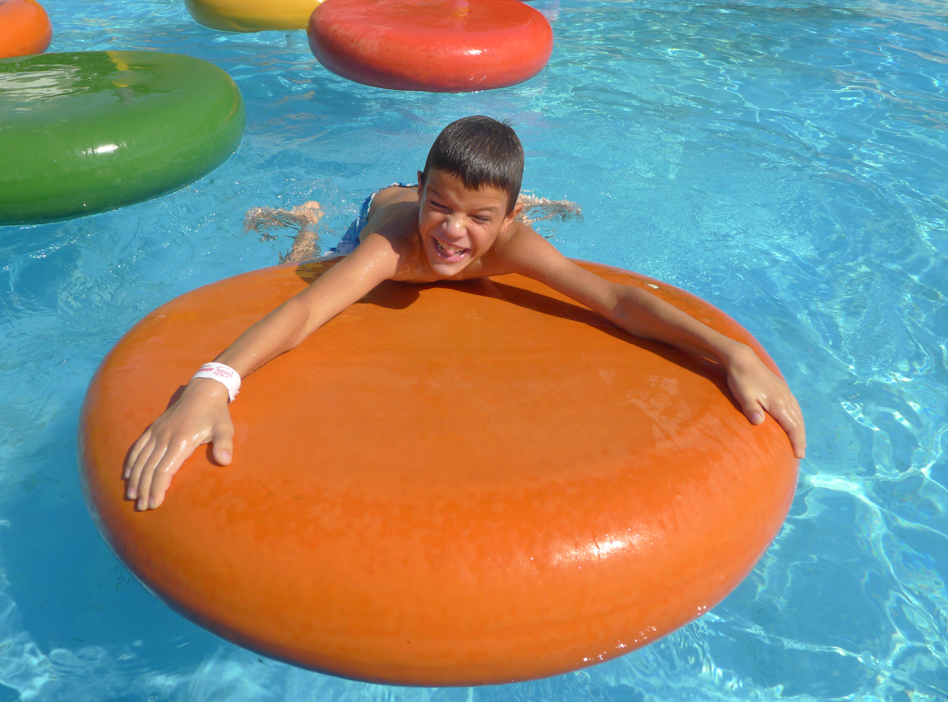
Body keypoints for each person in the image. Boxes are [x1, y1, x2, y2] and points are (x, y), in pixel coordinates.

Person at [125, 116, 806, 512]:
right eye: (441, 208)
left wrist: (730, 351)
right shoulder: (394, 249)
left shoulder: (510, 244)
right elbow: (301, 315)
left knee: (498, 227)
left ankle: (496, 195)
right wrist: (211, 384)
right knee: (304, 269)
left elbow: (614, 300)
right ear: (423, 192)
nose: (452, 233)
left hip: (469, 197)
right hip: (374, 213)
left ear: (508, 220)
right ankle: (301, 221)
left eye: (480, 218)